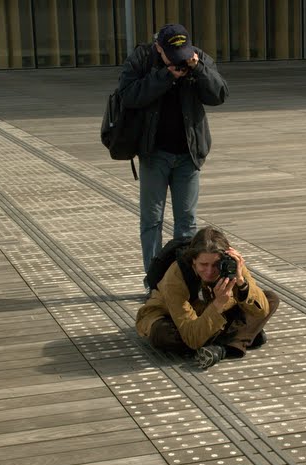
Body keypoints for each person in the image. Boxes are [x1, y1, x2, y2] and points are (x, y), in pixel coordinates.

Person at [117, 23, 229, 286]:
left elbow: (220, 94)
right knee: (151, 221)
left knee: (187, 224)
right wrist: (166, 76)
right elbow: (129, 95)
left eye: (183, 53)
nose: (179, 59)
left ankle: (185, 282)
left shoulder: (197, 57)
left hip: (189, 155)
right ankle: (155, 283)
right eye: (173, 55)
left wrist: (198, 68)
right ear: (159, 47)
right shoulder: (142, 59)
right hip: (154, 153)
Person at [136, 226, 279, 369]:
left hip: (212, 314)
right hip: (173, 317)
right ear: (193, 261)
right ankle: (239, 338)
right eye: (203, 265)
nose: (210, 271)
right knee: (163, 335)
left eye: (216, 264)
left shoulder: (231, 264)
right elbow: (192, 338)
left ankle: (222, 348)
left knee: (270, 299)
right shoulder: (175, 277)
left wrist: (242, 284)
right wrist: (217, 304)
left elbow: (262, 310)